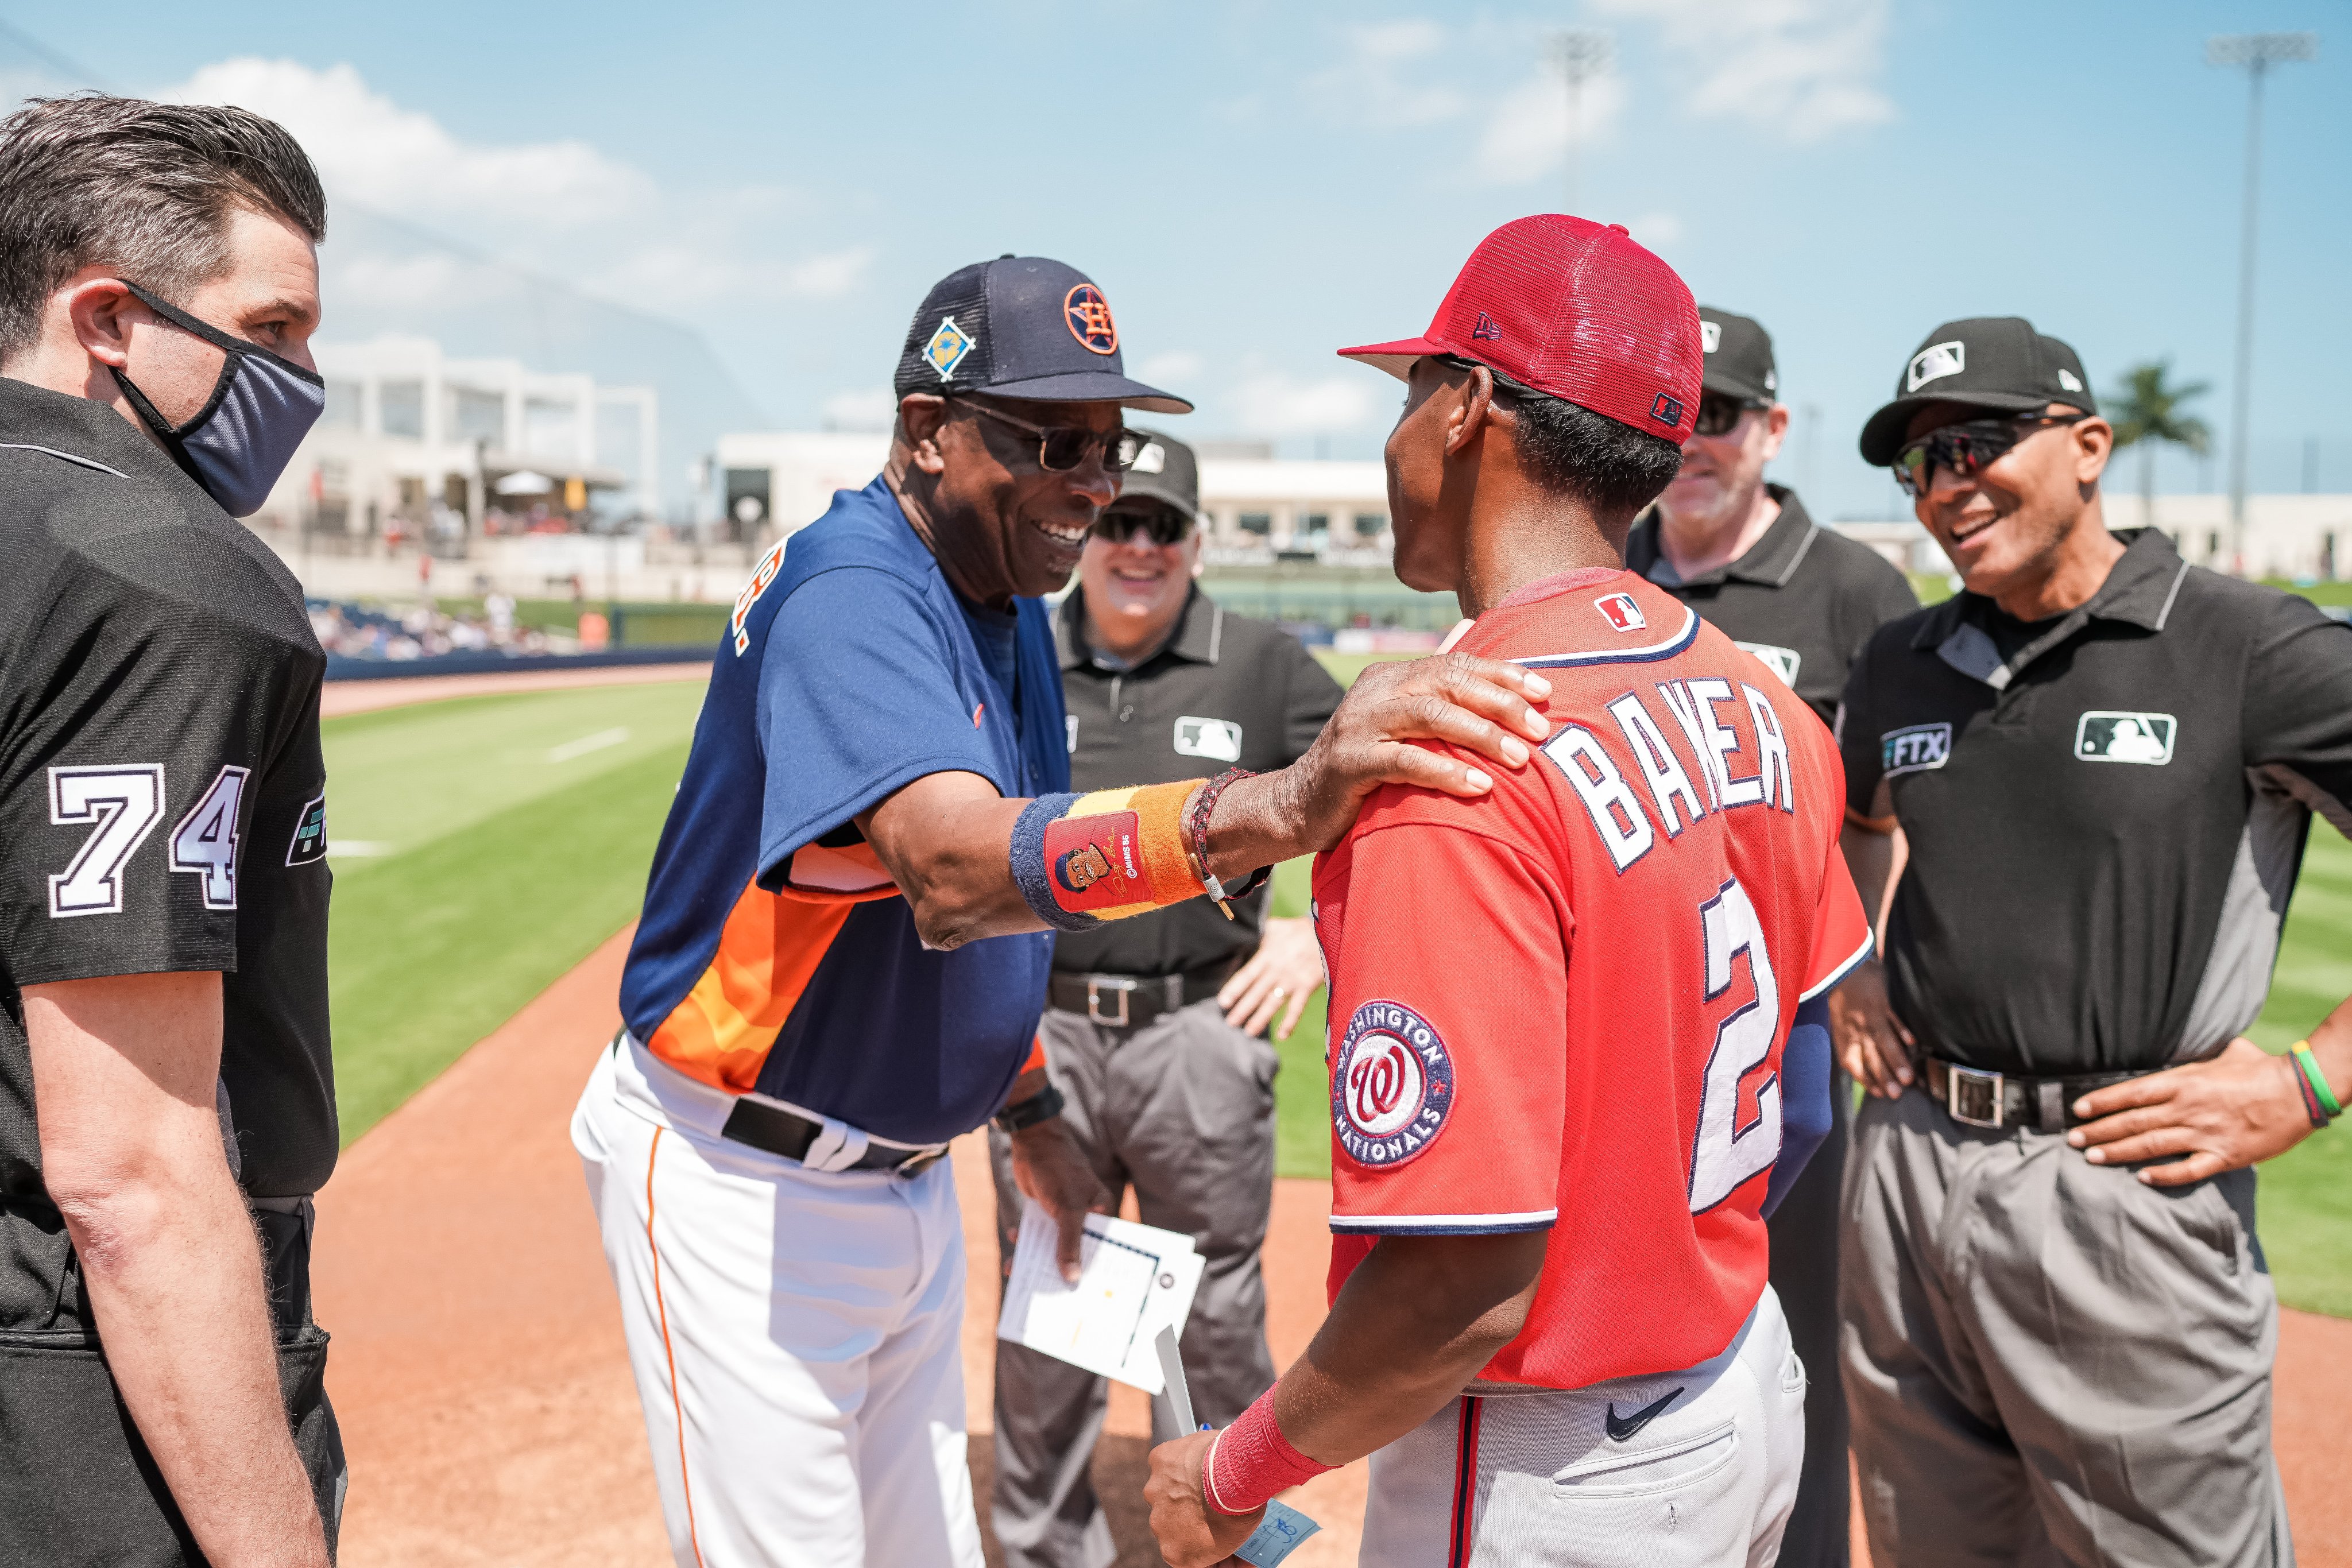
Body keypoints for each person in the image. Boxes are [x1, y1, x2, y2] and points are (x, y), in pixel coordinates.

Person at [569, 253, 1558, 1568]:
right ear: (928, 432)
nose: (1094, 489)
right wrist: (1268, 805)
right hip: (746, 1184)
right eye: (1052, 443)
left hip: (902, 1184)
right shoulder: (852, 587)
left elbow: (1009, 910)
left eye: (1110, 445)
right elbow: (953, 873)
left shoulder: (1003, 597)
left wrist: (1027, 1107)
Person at [1146, 215, 1874, 1568]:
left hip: (1557, 1470)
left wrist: (1233, 1476)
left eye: (1413, 387)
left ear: (1471, 402)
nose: (1400, 432)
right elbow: (1810, 1092)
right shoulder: (1763, 703)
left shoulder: (1449, 758)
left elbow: (1454, 1281)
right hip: (1738, 1382)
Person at [1832, 316, 2352, 1567]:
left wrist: (2312, 1076)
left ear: (2086, 446)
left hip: (2118, 1178)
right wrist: (1849, 963)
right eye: (1916, 467)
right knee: (1928, 1545)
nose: (1944, 489)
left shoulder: (2246, 645)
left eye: (1972, 446)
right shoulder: (1903, 660)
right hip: (1906, 1168)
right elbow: (1851, 824)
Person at [0, 98, 344, 1565]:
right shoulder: (162, 568)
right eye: (273, 324)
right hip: (73, 1414)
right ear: (109, 319)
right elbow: (128, 1174)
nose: (305, 375)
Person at [989, 428, 1344, 1567]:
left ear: (1195, 541)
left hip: (1198, 1026)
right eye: (1117, 521)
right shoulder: (1022, 654)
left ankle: (1232, 1546)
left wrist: (1311, 933)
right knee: (1054, 1318)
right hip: (1048, 1028)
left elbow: (1384, 802)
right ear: (1086, 529)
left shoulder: (1261, 664)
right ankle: (1047, 1547)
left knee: (1217, 1316)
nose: (1136, 546)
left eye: (1163, 527)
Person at [1623, 305, 1917, 1567]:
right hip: (1631, 1017)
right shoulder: (1605, 559)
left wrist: (1854, 970)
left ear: (1772, 429)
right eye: (1673, 415)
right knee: (1626, 1321)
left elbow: (1888, 814)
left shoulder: (1851, 586)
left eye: (1722, 414)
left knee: (1789, 1324)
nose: (1695, 441)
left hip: (1777, 1028)